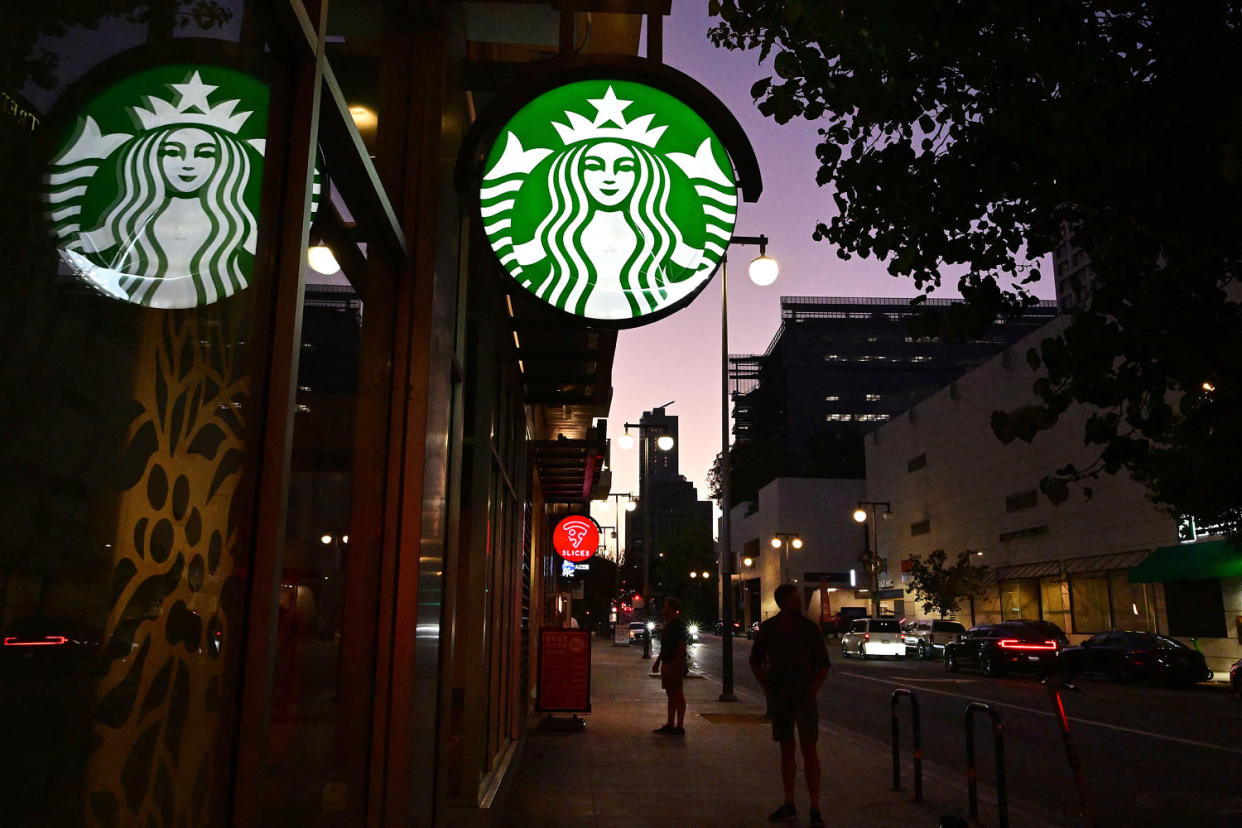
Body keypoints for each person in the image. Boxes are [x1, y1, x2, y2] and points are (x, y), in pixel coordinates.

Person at [750, 585, 831, 826]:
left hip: (800, 695)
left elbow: (823, 665)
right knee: (789, 749)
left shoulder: (807, 629)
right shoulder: (771, 629)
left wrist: (811, 690)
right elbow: (756, 661)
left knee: (807, 749)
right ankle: (791, 802)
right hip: (784, 696)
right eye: (795, 600)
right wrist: (768, 687)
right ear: (783, 602)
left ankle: (813, 806)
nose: (799, 603)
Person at [650, 596, 687, 735]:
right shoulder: (669, 623)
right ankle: (671, 723)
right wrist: (658, 661)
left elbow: (681, 645)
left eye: (666, 605)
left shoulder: (677, 624)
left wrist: (677, 663)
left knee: (677, 693)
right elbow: (665, 646)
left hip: (673, 663)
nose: (663, 608)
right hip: (667, 662)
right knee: (671, 694)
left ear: (671, 608)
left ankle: (679, 725)